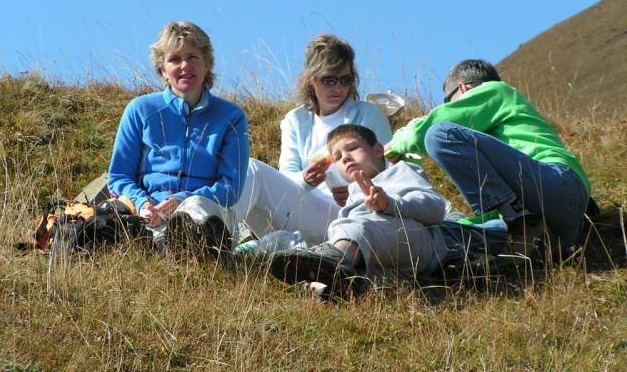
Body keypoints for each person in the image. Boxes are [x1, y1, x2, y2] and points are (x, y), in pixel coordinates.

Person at [269, 124, 508, 299]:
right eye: (338, 157)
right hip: (392, 258)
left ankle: (331, 261)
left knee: (359, 226)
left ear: (378, 150)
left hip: (421, 241)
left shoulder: (401, 171)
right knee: (366, 260)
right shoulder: (352, 193)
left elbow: (434, 208)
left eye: (353, 148)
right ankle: (336, 284)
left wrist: (389, 204)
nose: (346, 158)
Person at [386, 59, 590, 256]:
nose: (449, 106)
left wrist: (392, 145)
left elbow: (423, 132)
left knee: (439, 134)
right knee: (452, 230)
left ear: (463, 88)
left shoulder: (497, 90)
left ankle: (523, 222)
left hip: (557, 183)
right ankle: (523, 229)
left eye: (448, 101)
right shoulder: (495, 139)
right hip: (561, 221)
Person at [232, 34, 392, 245]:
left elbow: (390, 172)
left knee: (252, 171)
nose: (338, 88)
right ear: (311, 79)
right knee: (248, 169)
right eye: (329, 80)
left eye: (345, 80)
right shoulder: (296, 120)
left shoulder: (368, 115)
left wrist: (354, 194)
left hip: (351, 216)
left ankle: (267, 244)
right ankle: (218, 237)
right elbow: (286, 175)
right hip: (303, 212)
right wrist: (305, 180)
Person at [107, 21, 249, 256]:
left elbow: (231, 188)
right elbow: (119, 176)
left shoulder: (231, 117)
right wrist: (142, 203)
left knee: (194, 208)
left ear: (208, 63)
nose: (185, 66)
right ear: (162, 70)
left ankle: (191, 242)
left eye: (193, 57)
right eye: (174, 59)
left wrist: (182, 200)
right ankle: (163, 244)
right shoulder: (140, 110)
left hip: (205, 209)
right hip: (150, 210)